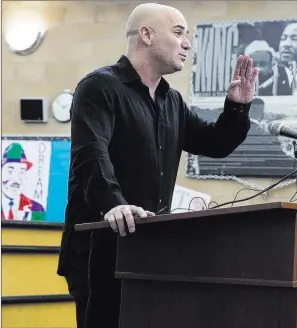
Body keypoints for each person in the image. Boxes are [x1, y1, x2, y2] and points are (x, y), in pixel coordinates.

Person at [56, 3, 258, 328]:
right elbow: (90, 155)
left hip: (149, 249)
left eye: (187, 35)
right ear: (147, 35)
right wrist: (114, 204)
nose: (187, 43)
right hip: (100, 247)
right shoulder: (99, 87)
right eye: (179, 33)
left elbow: (216, 143)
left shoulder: (171, 100)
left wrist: (238, 107)